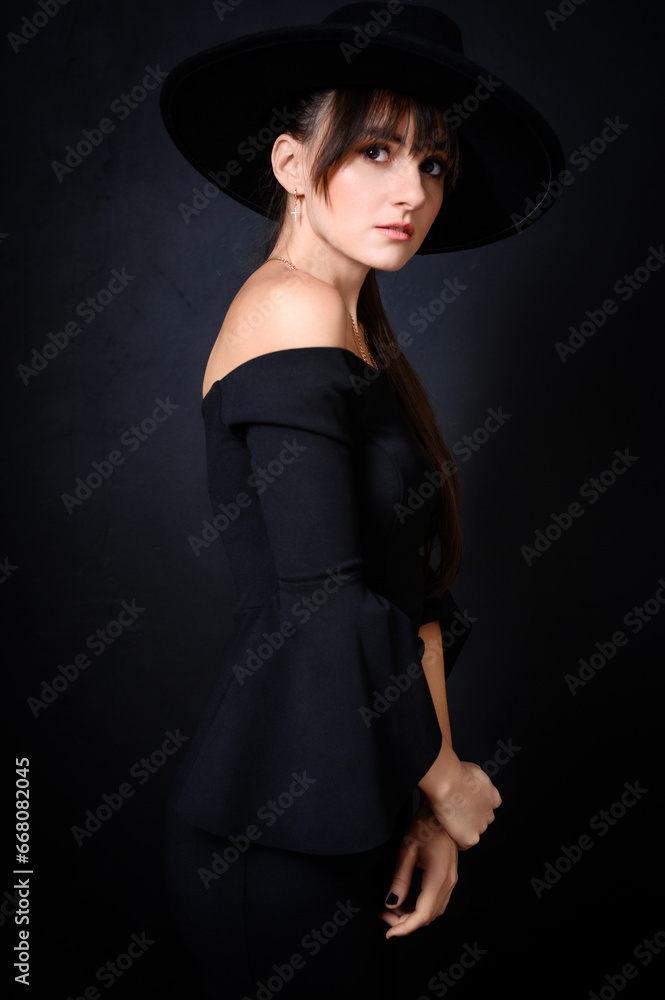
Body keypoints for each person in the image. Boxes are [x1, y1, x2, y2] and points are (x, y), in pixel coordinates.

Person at [159, 4, 563, 997]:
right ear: (293, 164)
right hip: (273, 820)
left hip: (357, 793)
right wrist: (446, 779)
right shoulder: (287, 306)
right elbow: (323, 599)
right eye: (375, 149)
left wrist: (425, 799)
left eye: (431, 162)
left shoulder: (357, 337)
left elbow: (405, 596)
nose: (411, 188)